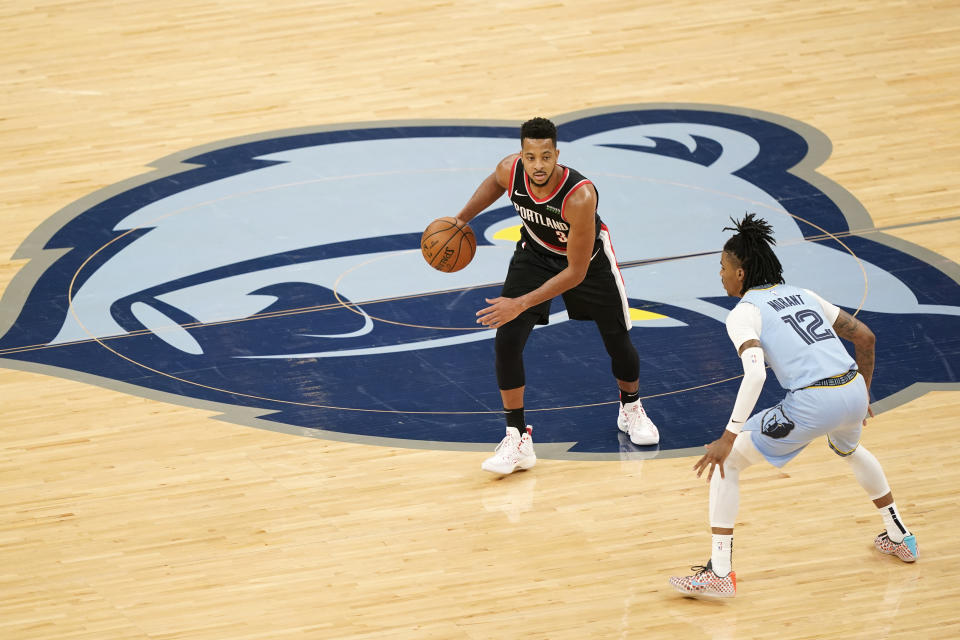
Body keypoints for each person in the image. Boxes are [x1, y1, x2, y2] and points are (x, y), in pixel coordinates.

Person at [669, 213, 918, 599]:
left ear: (740, 273)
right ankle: (900, 534)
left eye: (722, 267)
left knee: (729, 460)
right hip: (852, 388)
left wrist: (727, 436)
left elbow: (755, 376)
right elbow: (865, 338)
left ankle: (719, 573)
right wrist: (862, 394)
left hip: (812, 401)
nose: (719, 275)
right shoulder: (804, 293)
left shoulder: (743, 313)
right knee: (850, 449)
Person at [452, 116, 659, 475]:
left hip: (587, 262)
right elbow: (493, 184)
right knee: (508, 340)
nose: (538, 166)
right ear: (521, 155)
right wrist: (460, 221)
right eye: (530, 157)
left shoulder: (580, 196)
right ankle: (517, 437)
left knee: (617, 339)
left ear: (557, 155)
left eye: (545, 157)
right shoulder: (509, 170)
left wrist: (520, 303)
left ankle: (631, 407)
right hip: (534, 254)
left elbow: (574, 273)